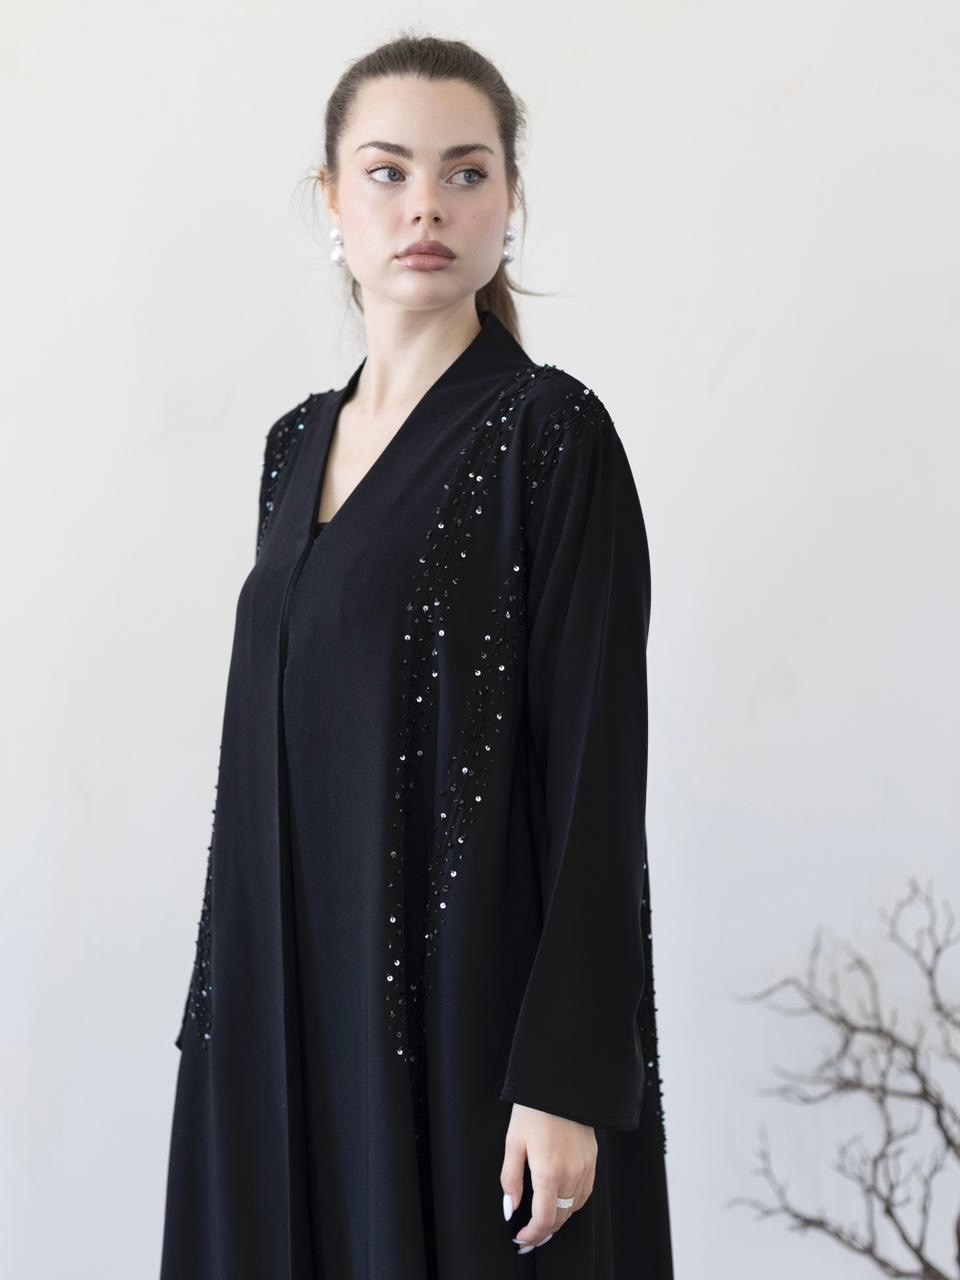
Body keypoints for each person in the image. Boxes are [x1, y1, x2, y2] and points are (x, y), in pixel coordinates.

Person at [159, 31, 674, 1280]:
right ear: (332, 200)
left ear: (511, 200)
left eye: (465, 172)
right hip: (278, 1006)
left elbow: (599, 773)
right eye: (388, 171)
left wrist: (565, 1074)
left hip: (468, 1021)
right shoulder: (293, 446)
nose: (426, 206)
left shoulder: (552, 436)